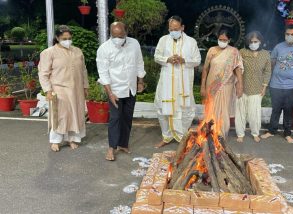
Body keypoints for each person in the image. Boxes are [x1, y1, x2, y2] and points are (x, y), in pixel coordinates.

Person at [96, 22, 146, 161]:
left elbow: (139, 62)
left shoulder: (134, 43)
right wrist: (110, 93)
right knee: (115, 118)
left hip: (131, 88)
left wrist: (140, 81)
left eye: (120, 35)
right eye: (114, 36)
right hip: (115, 90)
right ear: (110, 34)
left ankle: (123, 144)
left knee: (127, 117)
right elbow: (103, 73)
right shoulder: (104, 49)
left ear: (126, 32)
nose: (117, 38)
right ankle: (111, 148)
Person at [38, 25, 89, 152]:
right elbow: (43, 73)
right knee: (60, 115)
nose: (67, 40)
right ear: (57, 37)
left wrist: (85, 86)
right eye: (64, 38)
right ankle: (55, 141)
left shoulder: (77, 51)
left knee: (75, 114)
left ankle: (72, 139)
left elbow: (83, 70)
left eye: (69, 38)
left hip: (76, 89)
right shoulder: (48, 53)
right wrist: (48, 90)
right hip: (59, 90)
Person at [154, 16, 201, 148]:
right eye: (171, 29)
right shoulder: (163, 40)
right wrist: (167, 59)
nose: (173, 31)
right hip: (167, 83)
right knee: (163, 109)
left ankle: (183, 137)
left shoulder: (191, 42)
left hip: (183, 84)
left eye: (176, 28)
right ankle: (166, 137)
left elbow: (197, 60)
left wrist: (184, 60)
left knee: (185, 110)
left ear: (182, 27)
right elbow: (156, 57)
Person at [260, 25, 293, 144]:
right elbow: (272, 63)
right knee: (276, 109)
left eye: (292, 34)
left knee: (289, 110)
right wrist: (269, 78)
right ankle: (271, 131)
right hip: (276, 84)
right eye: (287, 34)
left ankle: (287, 133)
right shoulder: (278, 47)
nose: (289, 36)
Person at [201, 29, 244, 137]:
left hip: (226, 86)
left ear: (229, 40)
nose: (222, 41)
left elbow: (238, 69)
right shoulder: (211, 50)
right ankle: (210, 134)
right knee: (211, 109)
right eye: (220, 39)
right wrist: (202, 86)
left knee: (224, 112)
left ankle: (221, 136)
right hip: (211, 86)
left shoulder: (234, 52)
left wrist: (240, 85)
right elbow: (205, 69)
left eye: (225, 40)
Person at [235, 31, 271, 143]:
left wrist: (264, 87)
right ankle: (240, 134)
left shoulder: (265, 54)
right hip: (242, 87)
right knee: (240, 112)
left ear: (260, 42)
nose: (253, 43)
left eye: (256, 41)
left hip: (257, 88)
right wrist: (237, 85)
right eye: (251, 42)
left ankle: (255, 133)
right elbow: (237, 69)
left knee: (254, 113)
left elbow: (267, 71)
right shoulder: (242, 52)